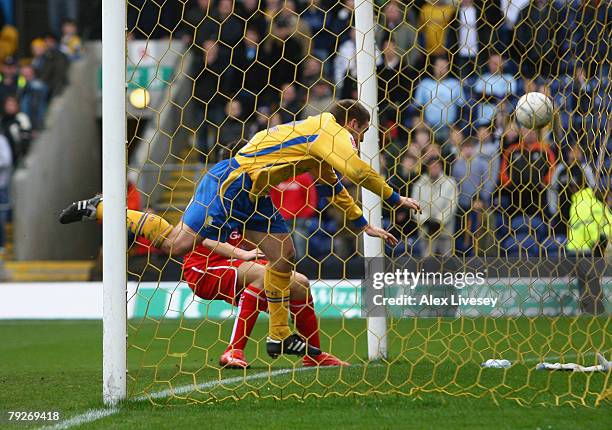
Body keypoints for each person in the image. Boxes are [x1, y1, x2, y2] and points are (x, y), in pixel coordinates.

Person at [59, 99, 422, 358]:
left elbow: (335, 185)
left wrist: (362, 224)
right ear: (354, 124)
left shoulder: (318, 142)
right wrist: (395, 199)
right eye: (363, 133)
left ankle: (280, 336)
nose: (359, 141)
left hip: (256, 192)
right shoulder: (330, 129)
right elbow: (356, 170)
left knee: (284, 256)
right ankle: (101, 207)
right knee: (177, 244)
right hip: (231, 181)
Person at [184, 228, 347, 368]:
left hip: (236, 262)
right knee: (264, 276)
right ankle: (233, 351)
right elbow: (206, 239)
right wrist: (244, 254)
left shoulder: (249, 201)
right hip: (204, 268)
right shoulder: (212, 198)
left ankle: (314, 355)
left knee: (300, 284)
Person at [565, 169, 611, 315]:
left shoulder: (581, 202)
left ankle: (592, 310)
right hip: (586, 248)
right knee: (590, 280)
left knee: (587, 281)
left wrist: (594, 242)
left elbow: (590, 225)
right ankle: (593, 310)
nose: (570, 188)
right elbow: (607, 223)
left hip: (583, 249)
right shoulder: (593, 202)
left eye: (571, 185)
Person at [412, 156, 457, 257]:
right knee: (427, 261)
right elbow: (414, 206)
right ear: (427, 167)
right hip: (426, 230)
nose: (434, 168)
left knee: (446, 261)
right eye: (431, 166)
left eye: (437, 165)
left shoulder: (450, 183)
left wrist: (439, 221)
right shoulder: (419, 184)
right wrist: (426, 220)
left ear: (441, 167)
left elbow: (452, 205)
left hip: (445, 230)